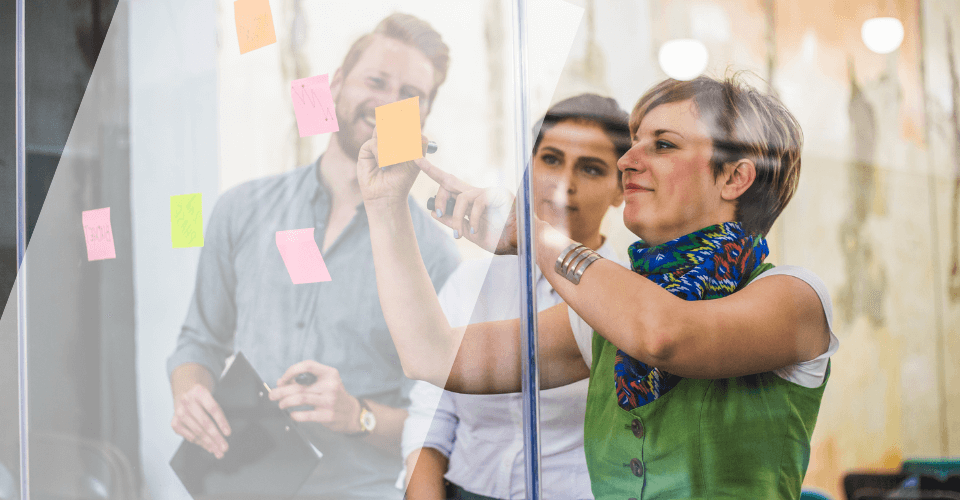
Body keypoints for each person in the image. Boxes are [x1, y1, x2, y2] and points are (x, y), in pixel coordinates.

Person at [357, 74, 839, 499]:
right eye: (633, 143)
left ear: (735, 177)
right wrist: (386, 207)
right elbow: (432, 356)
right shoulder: (606, 311)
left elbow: (663, 335)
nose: (628, 160)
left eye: (663, 144)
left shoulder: (796, 296)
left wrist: (533, 234)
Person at [166, 13, 460, 500]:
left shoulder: (435, 256)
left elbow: (440, 423)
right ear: (337, 84)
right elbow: (198, 339)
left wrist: (358, 415)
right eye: (375, 80)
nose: (389, 102)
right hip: (237, 485)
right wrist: (190, 393)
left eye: (411, 95)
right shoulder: (241, 210)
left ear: (422, 118)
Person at [402, 94, 630, 500]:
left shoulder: (628, 296)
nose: (565, 183)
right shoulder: (471, 281)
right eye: (551, 159)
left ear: (621, 189)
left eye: (592, 169)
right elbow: (431, 415)